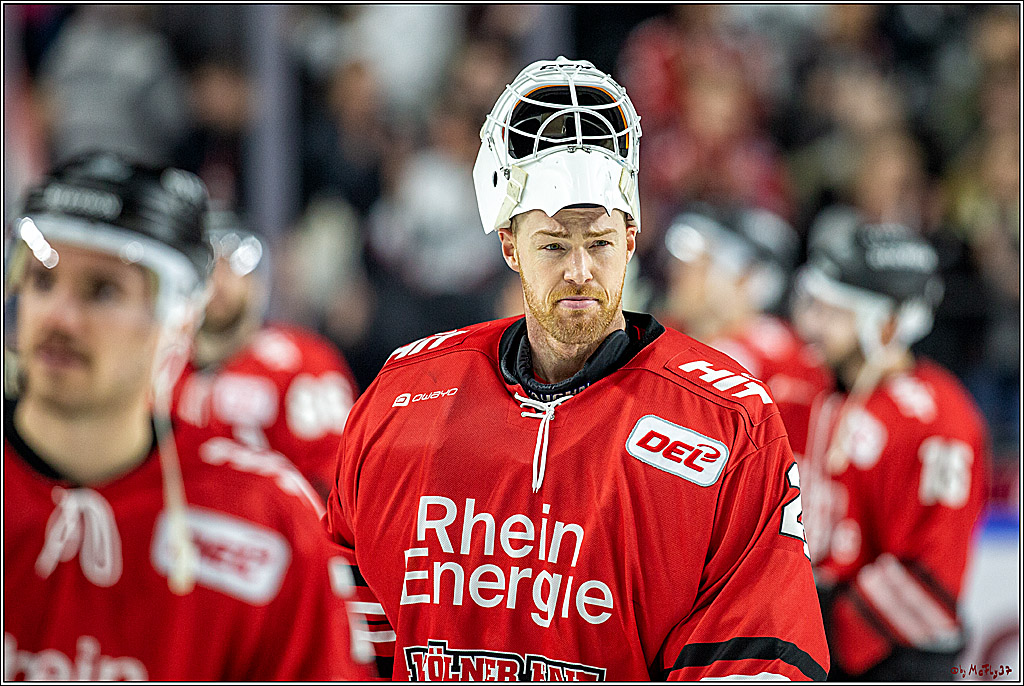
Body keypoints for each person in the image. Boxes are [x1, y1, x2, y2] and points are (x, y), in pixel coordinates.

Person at [326, 56, 829, 680]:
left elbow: (759, 656)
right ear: (509, 244)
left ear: (634, 236)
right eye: (553, 245)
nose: (580, 272)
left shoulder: (731, 421)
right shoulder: (405, 394)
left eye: (599, 242)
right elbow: (339, 625)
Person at [3, 152, 374, 681]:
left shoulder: (268, 524)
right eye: (42, 281)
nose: (58, 316)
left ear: (177, 316)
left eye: (102, 290)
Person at [790, 217, 989, 680]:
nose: (812, 324)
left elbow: (931, 578)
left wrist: (821, 630)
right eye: (813, 305)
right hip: (822, 642)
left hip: (892, 661)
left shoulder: (938, 419)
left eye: (833, 311)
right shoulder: (809, 389)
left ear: (885, 326)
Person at [171, 210, 359, 501]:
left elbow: (336, 479)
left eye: (234, 265)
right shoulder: (159, 362)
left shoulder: (302, 363)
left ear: (258, 281)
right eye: (208, 266)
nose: (219, 281)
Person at [661, 202, 833, 462]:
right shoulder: (671, 330)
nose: (680, 275)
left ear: (745, 278)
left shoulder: (769, 358)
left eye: (703, 264)